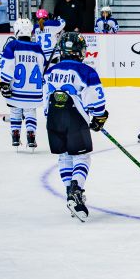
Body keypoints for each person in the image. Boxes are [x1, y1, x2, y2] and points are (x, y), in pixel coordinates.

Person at [43, 32, 107, 221]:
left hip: (53, 119)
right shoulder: (86, 71)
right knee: (82, 156)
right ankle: (76, 190)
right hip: (75, 118)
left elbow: (45, 98)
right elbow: (95, 100)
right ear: (80, 51)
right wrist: (99, 116)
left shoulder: (50, 71)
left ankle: (70, 193)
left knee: (64, 157)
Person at [0, 18, 45, 150]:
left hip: (16, 90)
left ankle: (15, 135)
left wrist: (4, 83)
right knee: (30, 111)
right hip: (34, 91)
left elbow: (7, 65)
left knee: (15, 110)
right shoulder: (37, 47)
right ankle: (31, 135)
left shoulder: (12, 45)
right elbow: (42, 68)